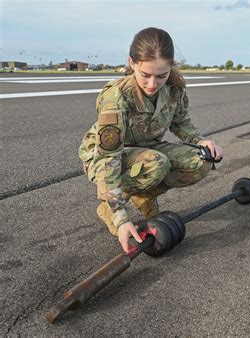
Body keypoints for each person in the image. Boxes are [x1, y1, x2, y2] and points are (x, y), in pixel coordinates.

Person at [78, 27, 222, 253]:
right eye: (145, 75)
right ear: (132, 62)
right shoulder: (116, 96)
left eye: (161, 76)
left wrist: (200, 140)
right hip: (106, 157)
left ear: (170, 68)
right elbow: (108, 158)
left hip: (147, 149)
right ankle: (108, 208)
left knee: (201, 161)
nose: (153, 84)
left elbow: (180, 122)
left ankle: (144, 196)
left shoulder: (174, 88)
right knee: (157, 163)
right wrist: (120, 217)